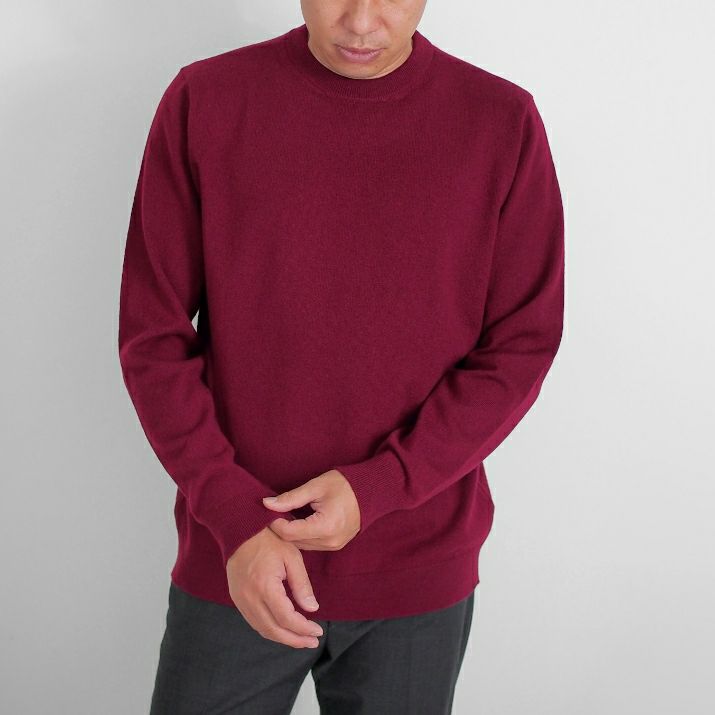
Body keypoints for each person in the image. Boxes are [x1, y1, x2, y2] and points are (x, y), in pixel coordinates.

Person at [118, 1, 565, 712]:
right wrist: (233, 516)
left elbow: (520, 344)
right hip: (240, 555)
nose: (360, 22)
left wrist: (384, 484)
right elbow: (154, 336)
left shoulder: (500, 121)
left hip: (415, 568)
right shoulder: (206, 99)